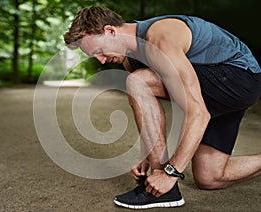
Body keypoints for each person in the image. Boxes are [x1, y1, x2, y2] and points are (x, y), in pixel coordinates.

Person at [64, 6, 261, 209]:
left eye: (99, 52)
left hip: (238, 77)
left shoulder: (161, 36)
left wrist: (170, 172)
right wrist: (147, 154)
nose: (102, 61)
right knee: (210, 176)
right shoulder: (130, 60)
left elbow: (198, 113)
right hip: (226, 89)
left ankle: (163, 191)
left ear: (110, 31)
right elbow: (147, 108)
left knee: (138, 82)